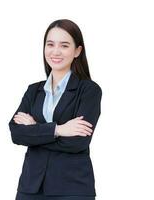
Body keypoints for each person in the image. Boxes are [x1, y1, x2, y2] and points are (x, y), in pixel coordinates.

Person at [8, 19, 102, 200]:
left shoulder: (89, 90)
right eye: (50, 44)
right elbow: (17, 134)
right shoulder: (33, 90)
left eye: (64, 45)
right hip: (30, 188)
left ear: (77, 51)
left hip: (72, 188)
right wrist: (58, 130)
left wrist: (34, 131)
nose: (55, 51)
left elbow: (77, 142)